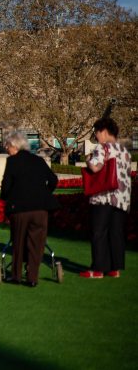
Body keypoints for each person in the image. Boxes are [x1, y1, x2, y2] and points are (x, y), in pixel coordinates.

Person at [0, 132, 59, 286]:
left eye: (7, 146)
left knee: (18, 242)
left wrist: (6, 197)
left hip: (19, 209)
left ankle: (16, 276)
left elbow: (6, 186)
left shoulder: (12, 161)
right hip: (40, 208)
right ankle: (32, 277)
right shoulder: (38, 161)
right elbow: (53, 180)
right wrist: (45, 193)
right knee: (37, 244)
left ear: (14, 146)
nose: (6, 149)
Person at [81, 117, 132, 279]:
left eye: (96, 133)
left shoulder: (102, 148)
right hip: (122, 197)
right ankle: (114, 268)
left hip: (103, 196)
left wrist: (88, 160)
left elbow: (96, 167)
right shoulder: (125, 151)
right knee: (115, 232)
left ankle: (98, 269)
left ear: (103, 131)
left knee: (99, 232)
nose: (96, 136)